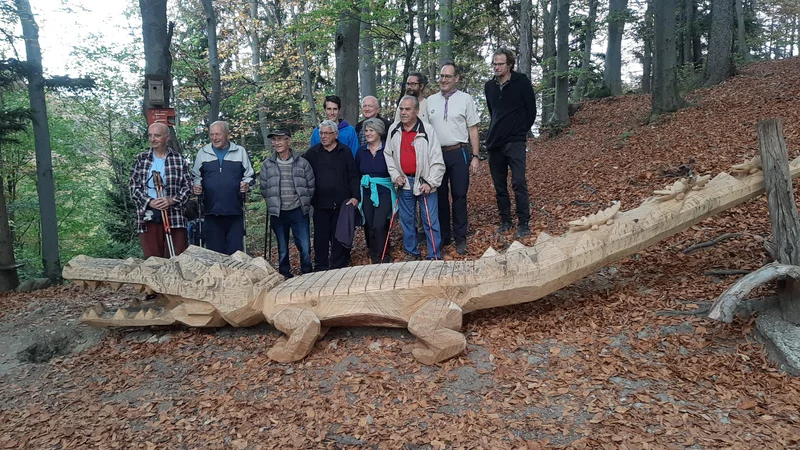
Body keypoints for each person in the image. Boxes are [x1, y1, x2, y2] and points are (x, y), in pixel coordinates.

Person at [425, 62, 480, 255]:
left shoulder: (466, 99)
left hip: (459, 152)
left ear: (456, 79)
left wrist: (475, 156)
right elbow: (424, 130)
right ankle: (444, 236)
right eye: (441, 76)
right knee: (439, 196)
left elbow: (473, 128)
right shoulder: (430, 101)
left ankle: (460, 237)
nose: (443, 80)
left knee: (459, 195)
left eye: (448, 76)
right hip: (436, 155)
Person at [484, 48, 536, 238]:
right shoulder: (489, 86)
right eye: (495, 64)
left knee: (519, 182)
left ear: (510, 64)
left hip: (515, 141)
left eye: (500, 64)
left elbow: (531, 111)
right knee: (500, 186)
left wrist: (519, 131)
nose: (497, 67)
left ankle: (524, 223)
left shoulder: (521, 82)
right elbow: (493, 113)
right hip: (494, 142)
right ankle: (505, 221)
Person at [385, 95, 444, 261]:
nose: (403, 112)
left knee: (430, 221)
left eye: (407, 109)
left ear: (417, 111)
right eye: (401, 109)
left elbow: (437, 159)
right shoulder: (394, 130)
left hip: (425, 182)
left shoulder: (427, 130)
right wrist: (396, 176)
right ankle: (411, 253)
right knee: (407, 220)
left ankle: (434, 255)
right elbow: (388, 155)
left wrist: (431, 182)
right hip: (404, 182)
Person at [303, 120, 361, 271]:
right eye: (321, 133)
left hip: (342, 204)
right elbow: (300, 170)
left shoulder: (345, 151)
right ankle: (321, 267)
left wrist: (356, 197)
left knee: (339, 236)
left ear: (335, 134)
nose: (323, 136)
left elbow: (353, 176)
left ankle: (338, 266)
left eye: (327, 133)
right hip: (320, 203)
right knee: (320, 238)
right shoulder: (313, 153)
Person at [130, 123, 193, 258]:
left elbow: (188, 186)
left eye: (157, 135)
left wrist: (172, 200)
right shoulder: (141, 159)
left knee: (178, 259)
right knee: (153, 260)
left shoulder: (178, 159)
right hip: (148, 216)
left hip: (175, 217)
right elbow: (133, 187)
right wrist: (150, 202)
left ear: (167, 137)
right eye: (150, 135)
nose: (153, 139)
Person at [192, 121, 255, 255]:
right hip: (211, 212)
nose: (214, 138)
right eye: (211, 135)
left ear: (227, 135)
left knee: (236, 254)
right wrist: (196, 187)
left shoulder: (240, 152)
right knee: (215, 254)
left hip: (235, 211)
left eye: (218, 134)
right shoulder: (203, 153)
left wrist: (246, 184)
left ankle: (237, 277)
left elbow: (250, 176)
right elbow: (195, 176)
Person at [259, 129, 315, 278]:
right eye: (274, 140)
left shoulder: (302, 163)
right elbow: (264, 188)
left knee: (304, 246)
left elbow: (311, 186)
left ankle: (307, 274)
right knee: (282, 248)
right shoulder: (267, 165)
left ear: (288, 141)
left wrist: (305, 202)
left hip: (298, 211)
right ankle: (285, 275)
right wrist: (273, 203)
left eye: (280, 139)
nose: (276, 143)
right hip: (278, 212)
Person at [355, 118, 397, 264]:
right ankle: (374, 256)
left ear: (379, 132)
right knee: (370, 224)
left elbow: (395, 169)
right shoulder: (361, 151)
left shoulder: (388, 149)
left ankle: (384, 255)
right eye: (366, 130)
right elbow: (356, 172)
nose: (368, 133)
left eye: (371, 130)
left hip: (384, 191)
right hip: (366, 191)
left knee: (379, 224)